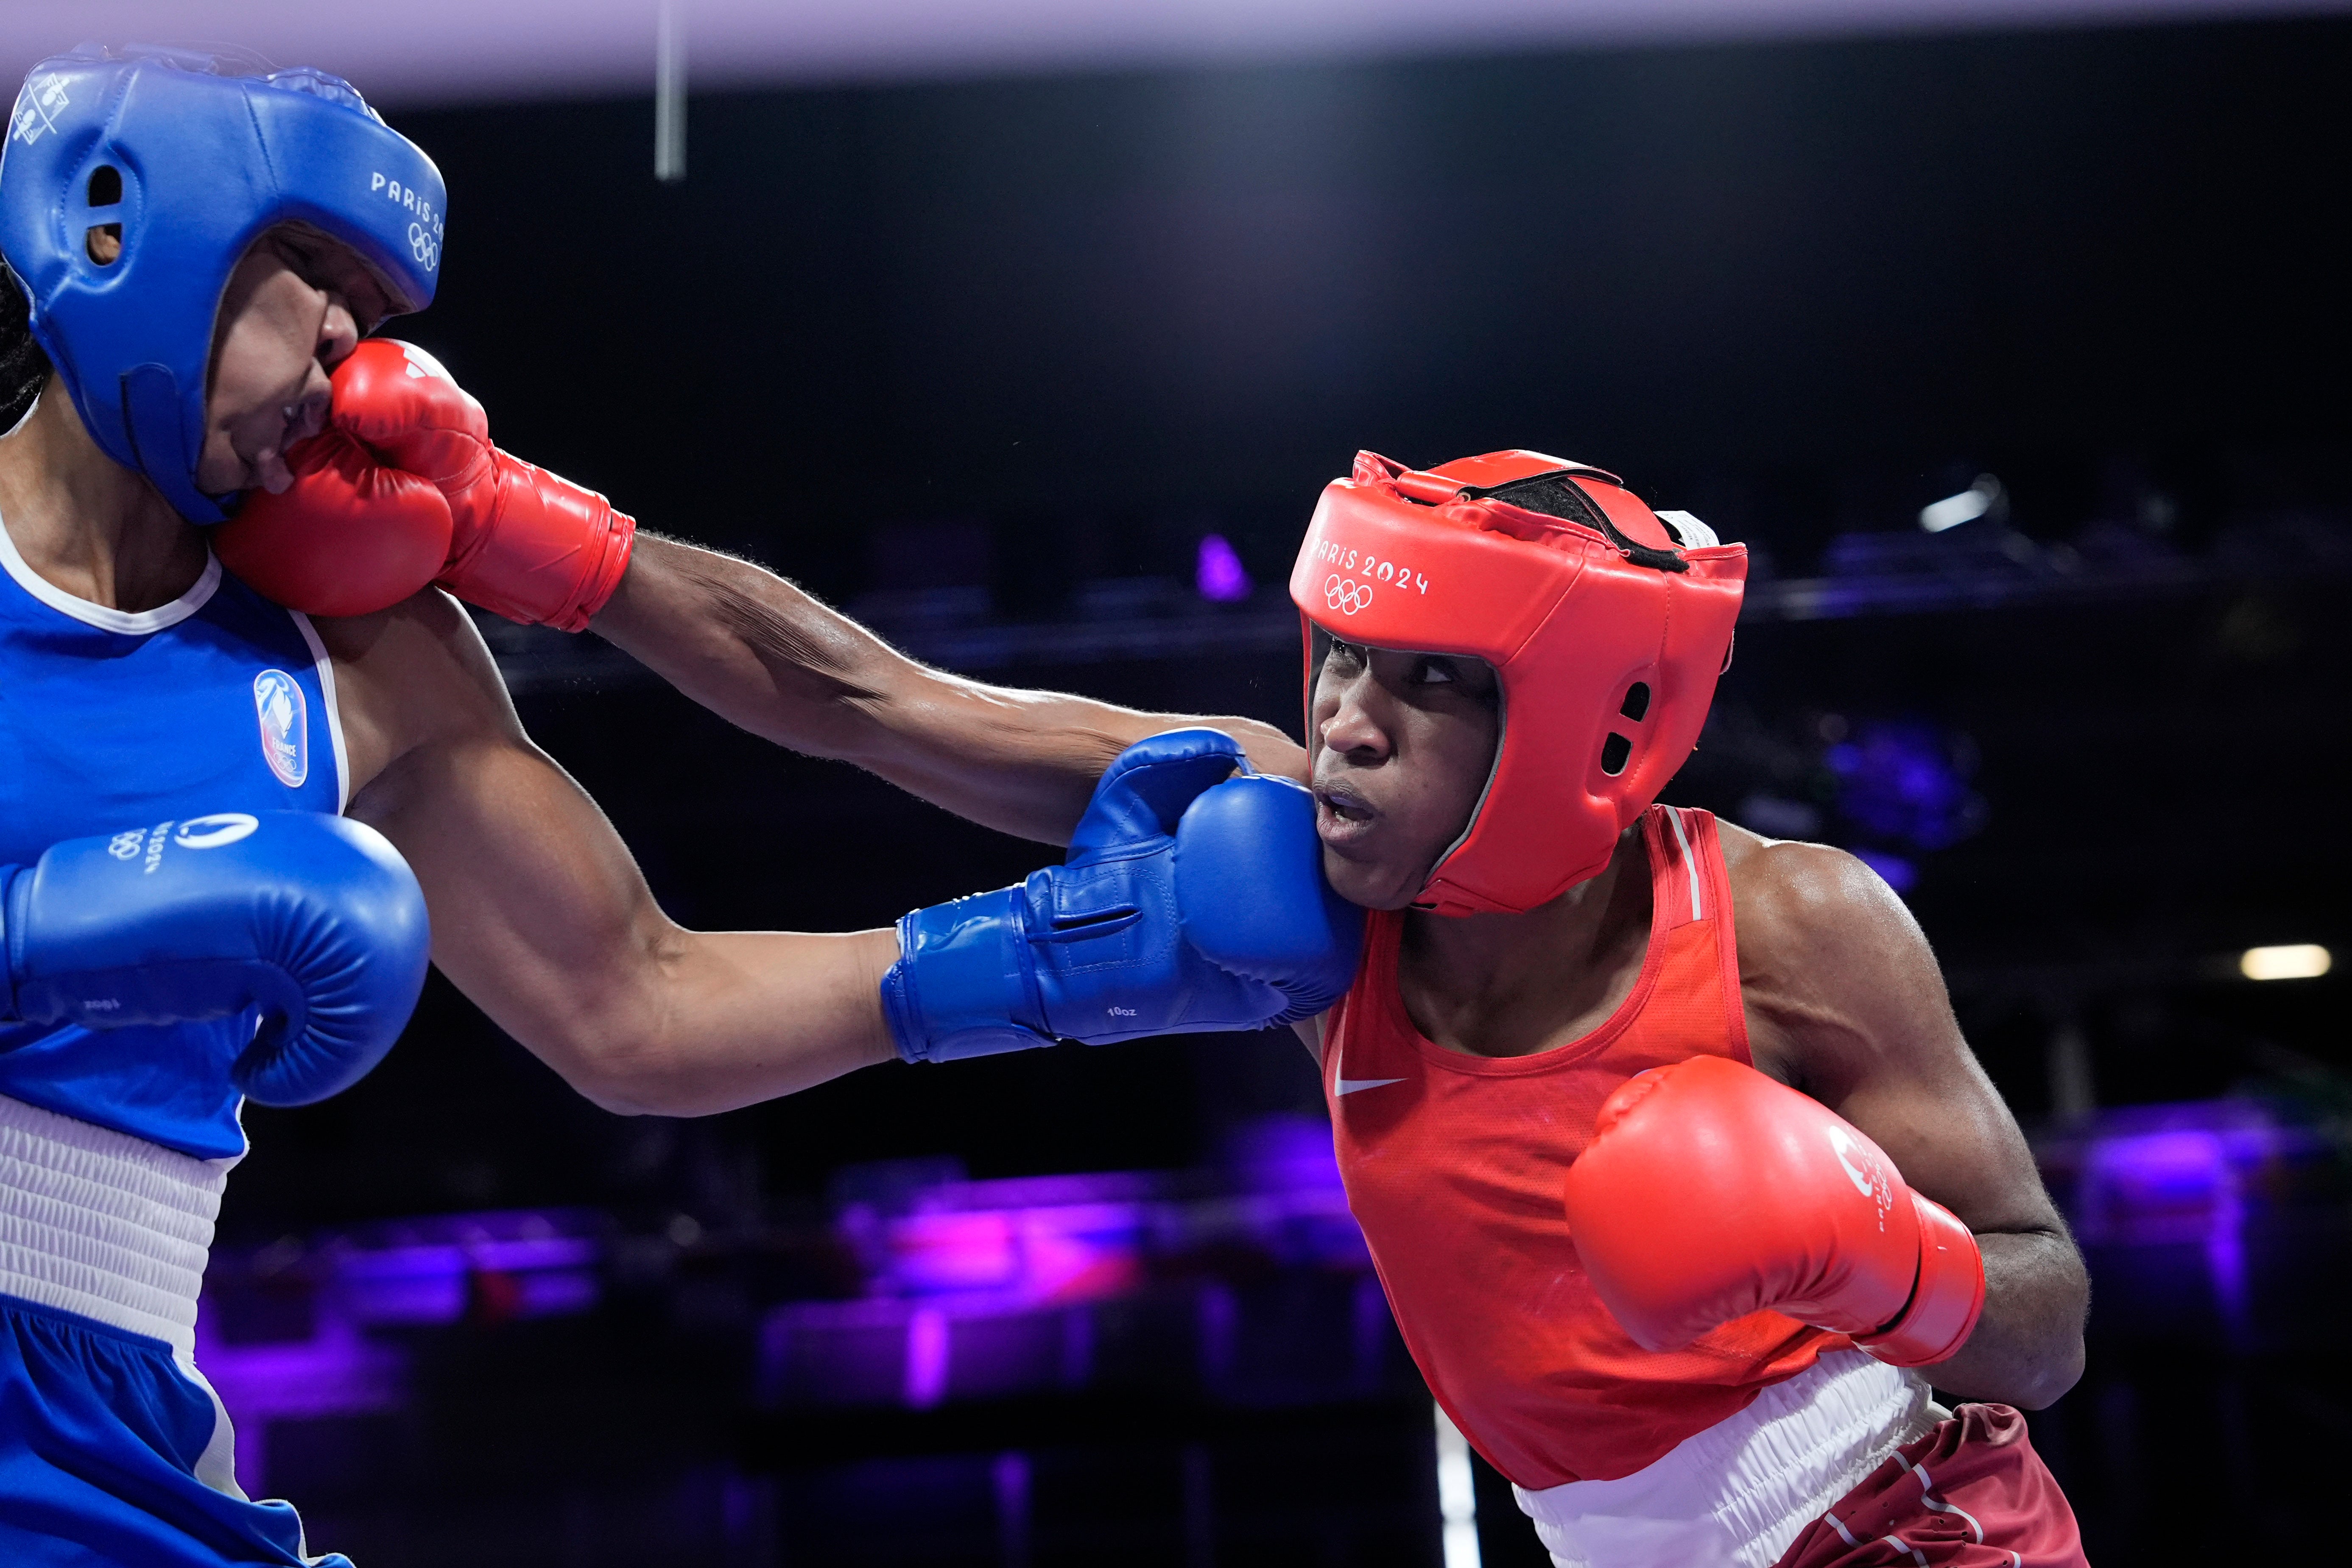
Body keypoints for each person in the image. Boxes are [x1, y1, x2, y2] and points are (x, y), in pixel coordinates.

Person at [0, 44, 1355, 1565]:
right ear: (118, 229)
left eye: (368, 315)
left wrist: (1046, 951)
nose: (342, 343)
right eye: (306, 266)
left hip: (111, 1439)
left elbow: (641, 1002)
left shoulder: (354, 657)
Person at [917, 449, 2094, 1566]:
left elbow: (2045, 1337)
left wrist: (1878, 1258)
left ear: (1587, 714)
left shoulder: (1793, 919)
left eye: (1434, 674)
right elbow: (875, 702)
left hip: (1904, 1528)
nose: (1344, 721)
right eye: (1341, 652)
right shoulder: (1318, 904)